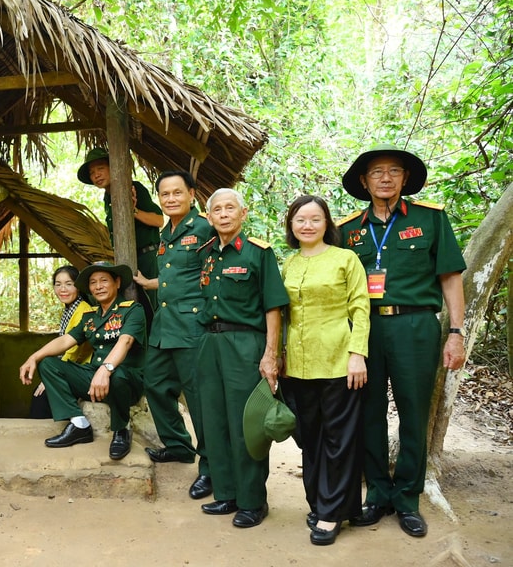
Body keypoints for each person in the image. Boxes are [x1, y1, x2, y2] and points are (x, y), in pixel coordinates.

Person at [338, 144, 466, 538]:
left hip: (415, 327)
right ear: (364, 181)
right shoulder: (347, 230)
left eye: (394, 171)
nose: (386, 178)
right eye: (377, 172)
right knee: (368, 411)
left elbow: (450, 277)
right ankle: (377, 493)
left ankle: (407, 498)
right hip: (365, 330)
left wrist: (456, 332)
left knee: (414, 413)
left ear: (405, 179)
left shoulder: (431, 219)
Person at [280, 195, 370, 545]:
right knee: (309, 438)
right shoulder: (288, 264)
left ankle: (332, 513)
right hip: (299, 364)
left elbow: (360, 308)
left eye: (315, 219)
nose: (307, 225)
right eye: (300, 219)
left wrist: (357, 354)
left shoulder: (345, 259)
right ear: (291, 225)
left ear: (327, 224)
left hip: (337, 359)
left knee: (339, 438)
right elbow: (282, 314)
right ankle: (320, 502)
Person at [197, 188, 289, 528]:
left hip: (245, 344)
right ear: (209, 217)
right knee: (214, 422)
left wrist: (270, 354)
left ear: (243, 213)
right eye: (216, 209)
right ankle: (227, 494)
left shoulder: (258, 254)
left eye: (229, 208)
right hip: (210, 344)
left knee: (246, 424)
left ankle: (252, 501)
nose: (223, 214)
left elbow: (273, 306)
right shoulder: (206, 255)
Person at [133, 171, 214, 500]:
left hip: (193, 325)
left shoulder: (205, 228)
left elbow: (212, 275)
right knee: (154, 383)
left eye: (177, 193)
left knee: (198, 399)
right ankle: (179, 445)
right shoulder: (166, 232)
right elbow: (174, 276)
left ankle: (209, 467)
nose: (170, 199)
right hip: (165, 324)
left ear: (192, 194)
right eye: (164, 194)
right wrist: (150, 283)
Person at [19, 262, 146, 460]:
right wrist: (34, 357)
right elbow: (65, 340)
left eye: (104, 280)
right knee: (49, 364)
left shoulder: (132, 310)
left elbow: (126, 341)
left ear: (117, 282)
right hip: (96, 380)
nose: (98, 286)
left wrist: (106, 369)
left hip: (126, 382)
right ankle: (79, 425)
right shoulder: (90, 317)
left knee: (119, 375)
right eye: (93, 282)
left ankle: (122, 430)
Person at [77, 147, 163, 310]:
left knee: (152, 305)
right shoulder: (107, 197)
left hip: (147, 256)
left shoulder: (134, 187)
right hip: (127, 259)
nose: (96, 175)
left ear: (113, 167)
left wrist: (133, 211)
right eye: (92, 172)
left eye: (101, 168)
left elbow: (159, 220)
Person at [30, 265, 94, 419]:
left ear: (78, 286)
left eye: (68, 284)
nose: (62, 289)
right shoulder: (71, 308)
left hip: (83, 369)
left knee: (41, 397)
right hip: (71, 366)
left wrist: (53, 376)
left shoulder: (83, 310)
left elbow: (73, 351)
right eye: (58, 284)